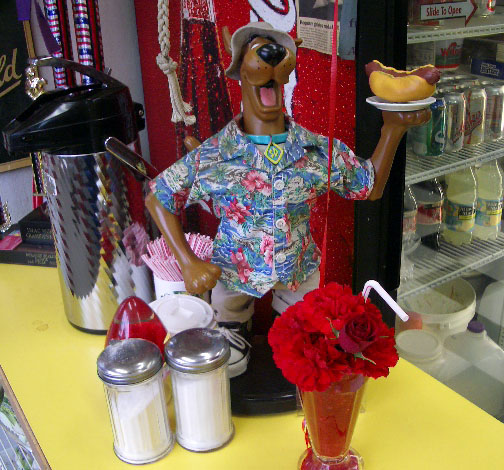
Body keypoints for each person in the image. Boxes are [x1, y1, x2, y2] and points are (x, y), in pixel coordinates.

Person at [146, 21, 429, 377]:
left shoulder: (315, 150)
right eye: (256, 50)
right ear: (238, 72)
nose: (270, 59)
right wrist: (187, 262)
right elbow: (159, 196)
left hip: (298, 272)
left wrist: (393, 130)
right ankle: (236, 329)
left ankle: (294, 339)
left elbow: (367, 186)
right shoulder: (216, 154)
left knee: (309, 363)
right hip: (234, 273)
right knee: (229, 369)